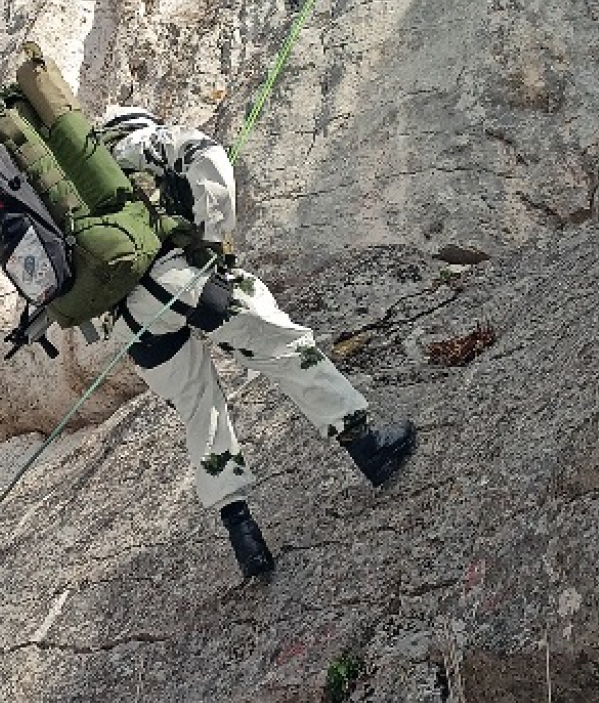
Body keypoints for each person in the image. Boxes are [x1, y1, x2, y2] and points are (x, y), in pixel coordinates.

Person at [100, 106, 417, 580]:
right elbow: (206, 156)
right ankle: (369, 448)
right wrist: (213, 245)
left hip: (130, 325)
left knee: (199, 407)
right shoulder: (140, 145)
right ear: (138, 121)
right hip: (180, 280)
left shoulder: (85, 197)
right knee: (287, 349)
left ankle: (244, 537)